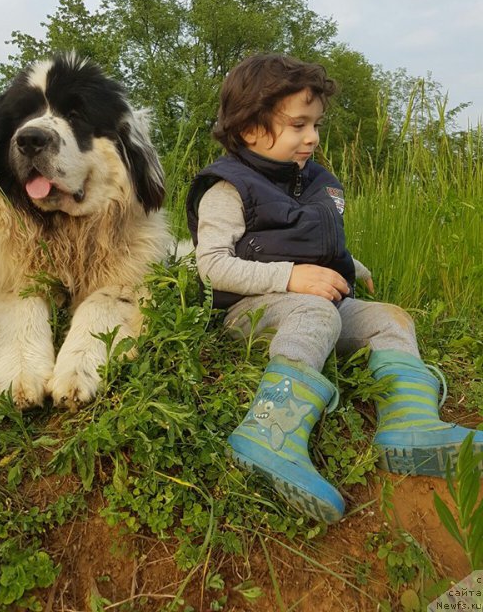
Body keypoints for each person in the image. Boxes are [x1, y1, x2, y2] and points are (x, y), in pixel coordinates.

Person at [186, 53, 482, 524]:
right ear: (250, 130)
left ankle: (410, 425)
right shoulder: (228, 189)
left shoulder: (312, 182)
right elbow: (213, 267)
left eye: (316, 124)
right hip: (250, 310)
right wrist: (289, 277)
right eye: (298, 125)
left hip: (312, 303)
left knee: (389, 317)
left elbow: (318, 241)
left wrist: (353, 265)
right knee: (316, 312)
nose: (313, 137)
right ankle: (269, 432)